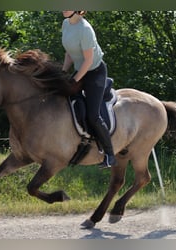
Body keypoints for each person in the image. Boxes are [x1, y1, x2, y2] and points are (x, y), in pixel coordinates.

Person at [61, 10, 116, 167]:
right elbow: (69, 53)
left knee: (93, 115)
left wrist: (74, 80)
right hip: (80, 70)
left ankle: (110, 154)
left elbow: (88, 60)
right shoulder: (65, 24)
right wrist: (63, 73)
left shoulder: (85, 29)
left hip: (95, 73)